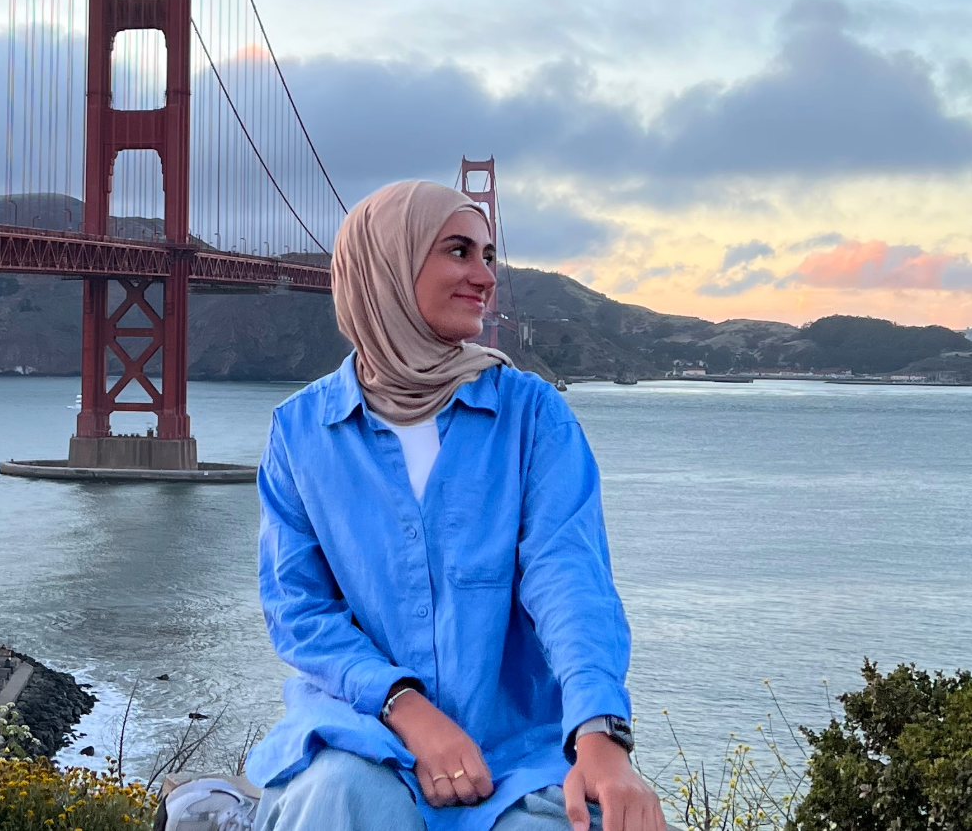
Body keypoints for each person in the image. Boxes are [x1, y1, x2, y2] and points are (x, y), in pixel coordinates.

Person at [246, 181, 665, 831]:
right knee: (342, 797)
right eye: (458, 251)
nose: (484, 277)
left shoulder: (532, 417)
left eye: (488, 255)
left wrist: (599, 735)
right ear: (387, 264)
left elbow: (570, 583)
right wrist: (405, 706)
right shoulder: (300, 433)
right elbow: (299, 611)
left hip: (514, 755)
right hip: (362, 730)